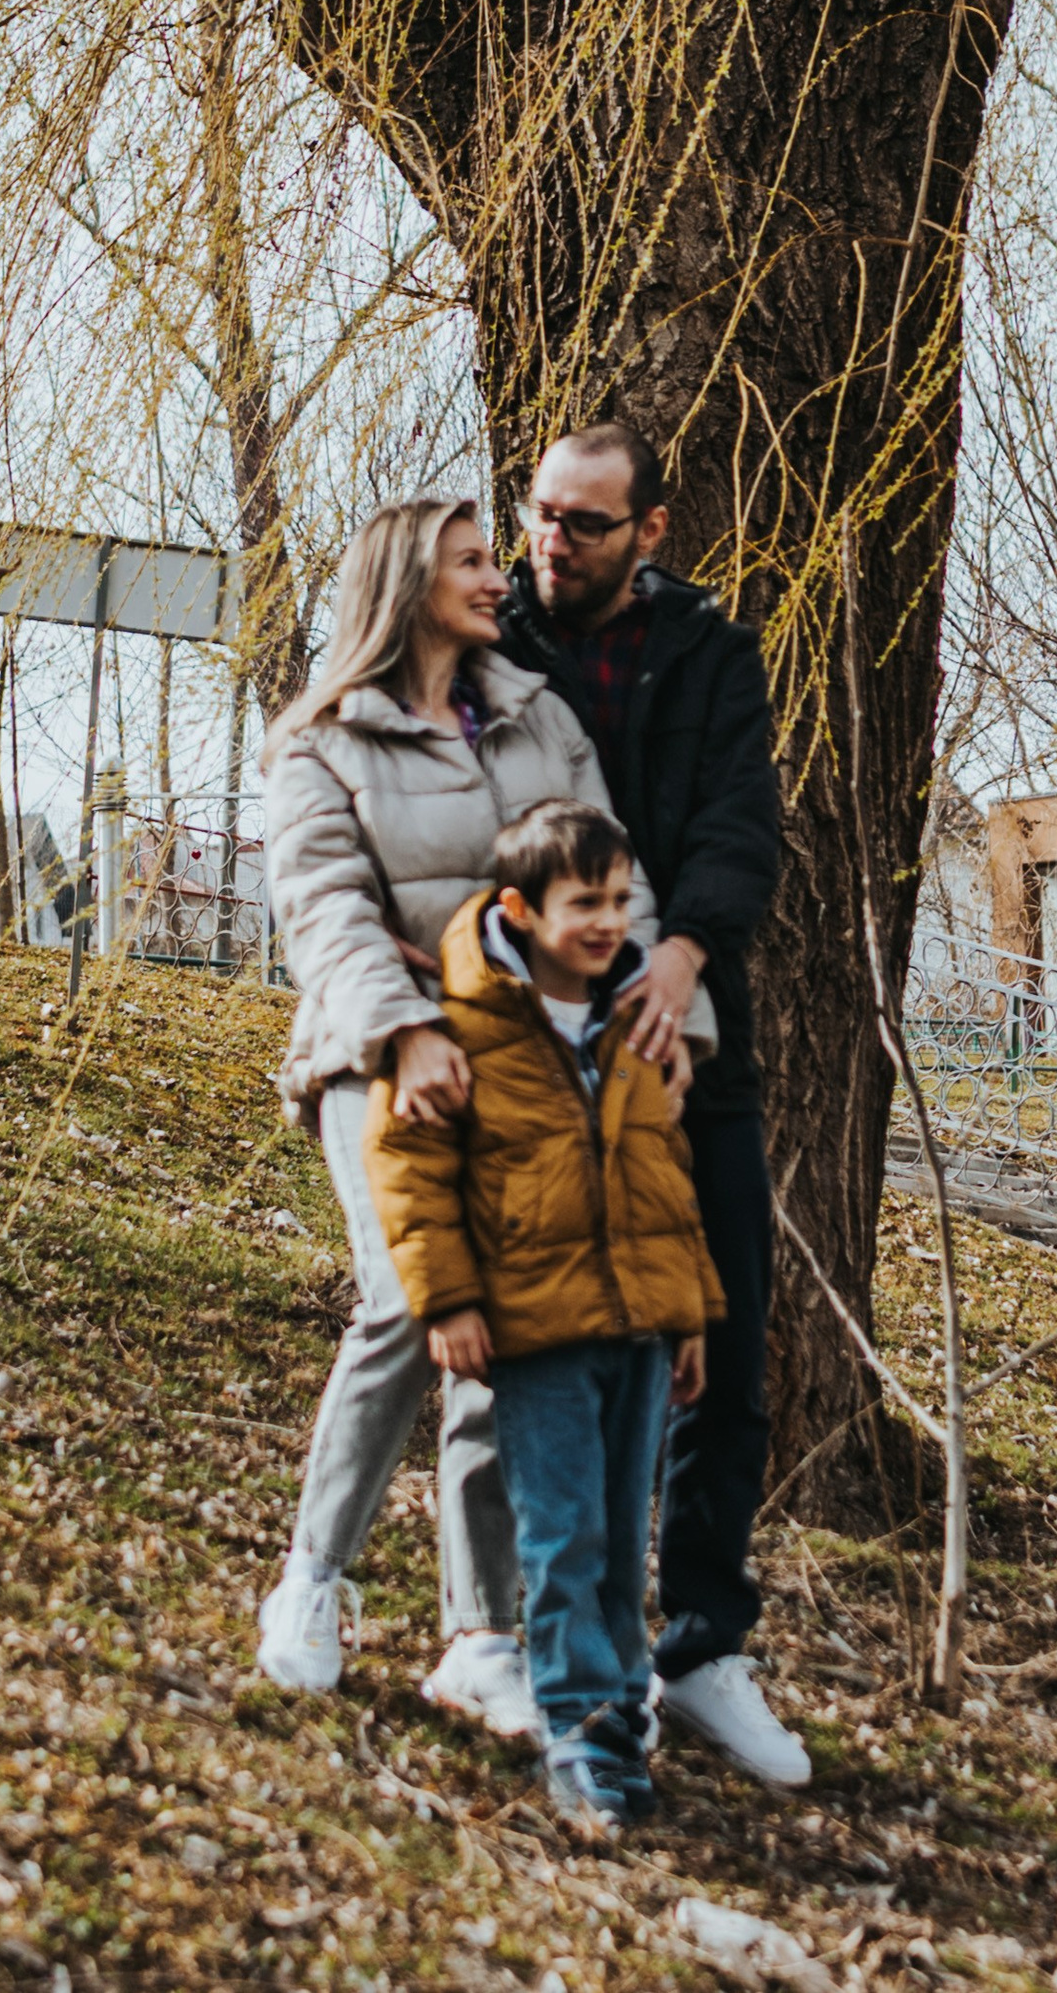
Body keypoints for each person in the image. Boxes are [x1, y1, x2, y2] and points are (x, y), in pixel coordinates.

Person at [257, 492, 705, 1736]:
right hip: (377, 1049)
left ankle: (478, 1635)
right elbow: (325, 909)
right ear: (405, 580)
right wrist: (404, 1032)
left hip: (529, 1059)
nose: (494, 577)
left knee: (509, 1328)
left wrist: (661, 1029)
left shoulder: (535, 715)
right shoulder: (321, 744)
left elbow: (612, 879)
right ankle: (313, 1577)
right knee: (408, 1297)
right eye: (467, 560)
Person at [500, 417, 806, 1789]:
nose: (552, 547)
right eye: (541, 516)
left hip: (684, 1038)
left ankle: (701, 1649)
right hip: (533, 1048)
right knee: (531, 1347)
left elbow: (746, 827)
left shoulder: (711, 657)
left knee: (722, 1345)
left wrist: (682, 953)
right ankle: (523, 1642)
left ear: (651, 533)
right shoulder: (489, 643)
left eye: (586, 526)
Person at [367, 799, 725, 1831]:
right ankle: (577, 1729)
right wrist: (447, 1301)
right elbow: (414, 1172)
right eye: (585, 902)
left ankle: (616, 1709)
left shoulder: (635, 1027)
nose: (609, 922)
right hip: (537, 1337)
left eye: (620, 901)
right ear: (520, 910)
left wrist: (690, 1314)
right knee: (562, 1534)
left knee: (621, 1539)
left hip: (640, 1333)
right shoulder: (463, 1027)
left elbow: (667, 1177)